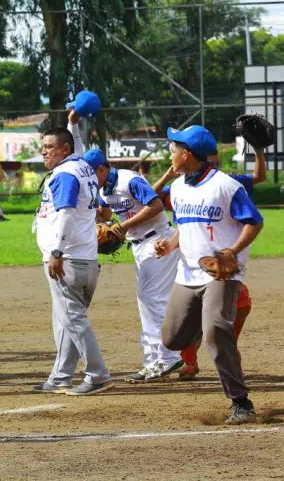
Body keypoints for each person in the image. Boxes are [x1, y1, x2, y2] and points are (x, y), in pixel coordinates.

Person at [155, 125, 264, 425]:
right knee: (172, 339)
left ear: (187, 154)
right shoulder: (178, 188)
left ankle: (241, 402)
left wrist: (233, 251)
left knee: (216, 331)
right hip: (188, 273)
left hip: (222, 273)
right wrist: (170, 244)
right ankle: (208, 322)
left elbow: (254, 221)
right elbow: (186, 225)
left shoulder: (225, 186)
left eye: (175, 148)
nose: (171, 153)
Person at [72, 112, 182, 383]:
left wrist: (123, 226)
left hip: (158, 242)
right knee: (146, 301)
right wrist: (95, 216)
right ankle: (153, 361)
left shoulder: (128, 179)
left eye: (91, 174)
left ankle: (167, 358)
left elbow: (155, 205)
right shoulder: (103, 190)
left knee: (152, 300)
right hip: (140, 247)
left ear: (102, 169)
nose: (90, 179)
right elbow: (106, 214)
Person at [32, 126, 112, 396]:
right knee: (67, 322)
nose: (44, 152)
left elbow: (66, 213)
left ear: (65, 150)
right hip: (85, 259)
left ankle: (98, 375)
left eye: (49, 147)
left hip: (67, 261)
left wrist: (57, 252)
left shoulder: (65, 174)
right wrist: (73, 123)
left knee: (74, 322)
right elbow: (78, 147)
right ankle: (61, 376)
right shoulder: (83, 167)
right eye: (43, 147)